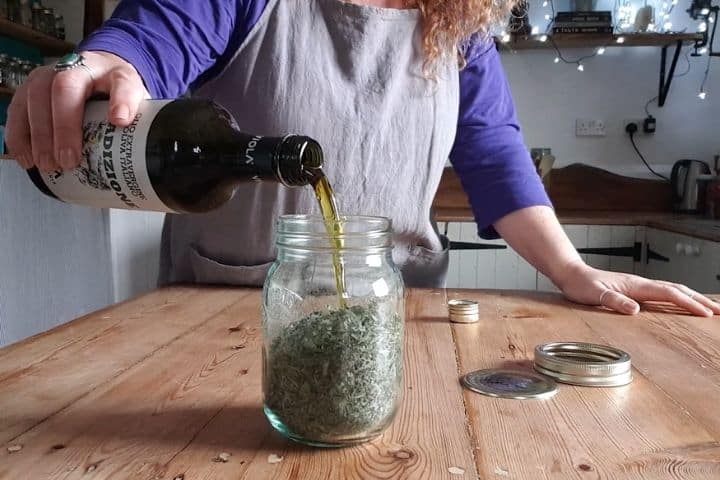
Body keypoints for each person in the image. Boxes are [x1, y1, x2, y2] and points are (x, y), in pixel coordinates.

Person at [5, 0, 718, 317]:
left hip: (398, 316)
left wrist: (571, 269)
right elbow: (157, 34)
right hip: (226, 317)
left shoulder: (460, 24)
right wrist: (103, 63)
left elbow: (493, 150)